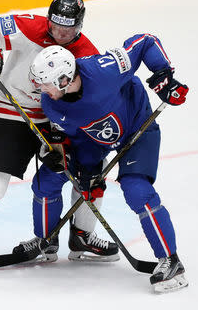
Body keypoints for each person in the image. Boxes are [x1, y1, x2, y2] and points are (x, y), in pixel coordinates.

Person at [0, 0, 118, 276]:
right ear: (48, 18)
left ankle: (82, 237)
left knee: (89, 172)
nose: (61, 33)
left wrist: (63, 138)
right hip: (9, 111)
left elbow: (86, 98)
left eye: (69, 28)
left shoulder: (87, 53)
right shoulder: (29, 26)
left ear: (80, 25)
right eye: (56, 25)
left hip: (55, 119)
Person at [28, 34, 189, 293]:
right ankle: (45, 241)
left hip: (138, 129)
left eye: (46, 84)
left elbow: (145, 42)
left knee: (137, 190)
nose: (41, 90)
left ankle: (171, 262)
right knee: (47, 178)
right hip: (96, 142)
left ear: (64, 79)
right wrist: (84, 165)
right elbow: (78, 135)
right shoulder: (52, 103)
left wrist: (163, 76)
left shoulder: (104, 70)